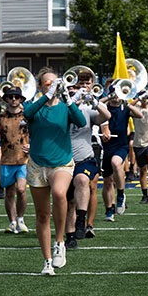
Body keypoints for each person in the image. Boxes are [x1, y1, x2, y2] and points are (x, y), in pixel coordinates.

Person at [23, 68, 86, 275]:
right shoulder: (35, 106)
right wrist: (46, 96)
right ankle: (47, 261)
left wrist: (68, 98)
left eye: (54, 83)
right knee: (42, 215)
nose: (52, 86)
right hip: (37, 163)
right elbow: (27, 114)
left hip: (61, 162)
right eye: (47, 84)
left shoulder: (64, 106)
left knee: (60, 194)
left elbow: (81, 121)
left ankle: (60, 242)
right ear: (40, 86)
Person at [63, 74, 109, 247]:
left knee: (83, 180)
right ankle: (71, 237)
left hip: (84, 158)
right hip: (64, 161)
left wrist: (95, 101)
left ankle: (82, 220)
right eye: (71, 92)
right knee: (69, 203)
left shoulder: (87, 110)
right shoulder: (61, 110)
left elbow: (106, 116)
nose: (75, 94)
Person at [100, 82, 142, 220]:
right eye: (114, 93)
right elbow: (96, 104)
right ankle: (109, 210)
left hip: (121, 145)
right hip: (107, 146)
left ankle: (121, 194)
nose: (116, 97)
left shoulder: (125, 108)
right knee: (107, 181)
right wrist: (108, 97)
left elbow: (139, 115)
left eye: (118, 94)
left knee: (116, 163)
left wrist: (127, 102)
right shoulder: (104, 107)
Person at [0, 85, 30, 234]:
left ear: (21, 99)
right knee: (9, 192)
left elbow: (38, 134)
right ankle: (12, 222)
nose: (13, 99)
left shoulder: (28, 116)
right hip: (7, 159)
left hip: (24, 159)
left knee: (21, 189)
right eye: (10, 96)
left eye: (16, 97)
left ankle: (21, 218)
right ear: (6, 99)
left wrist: (31, 146)